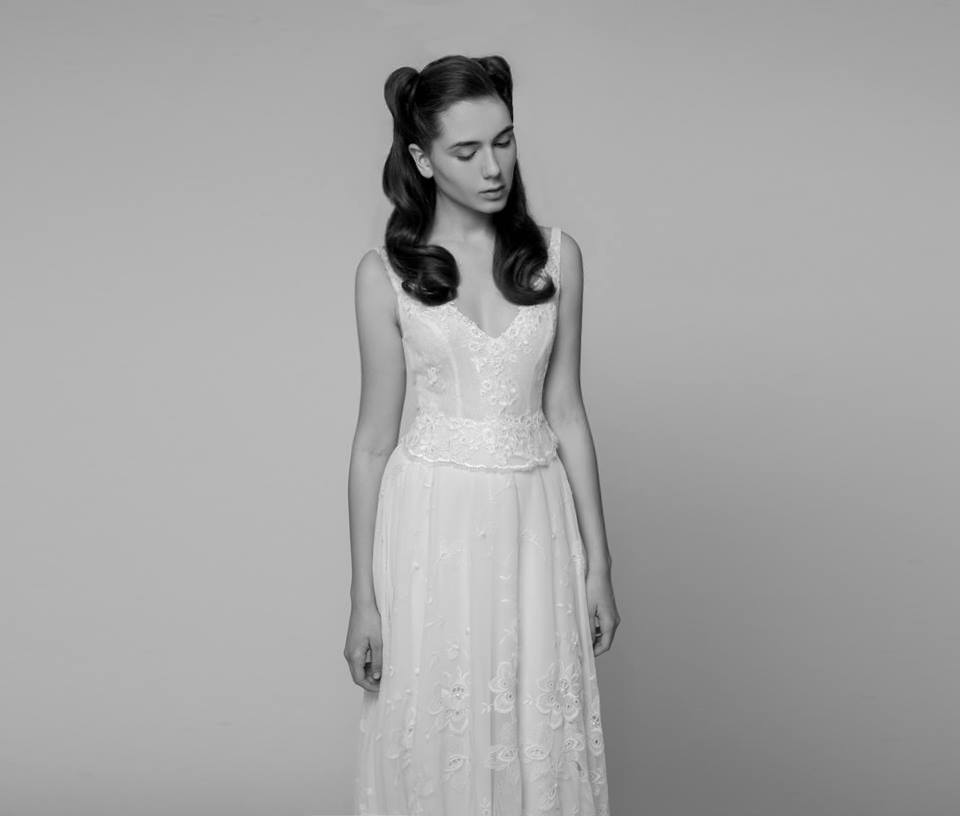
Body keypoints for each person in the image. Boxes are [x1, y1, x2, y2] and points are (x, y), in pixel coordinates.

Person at [345, 53, 619, 815]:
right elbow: (372, 443)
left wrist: (600, 563)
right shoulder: (384, 275)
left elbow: (568, 412)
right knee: (440, 724)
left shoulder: (557, 258)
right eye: (466, 151)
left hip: (536, 520)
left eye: (504, 141)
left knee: (538, 724)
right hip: (432, 525)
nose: (493, 167)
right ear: (421, 159)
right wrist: (363, 598)